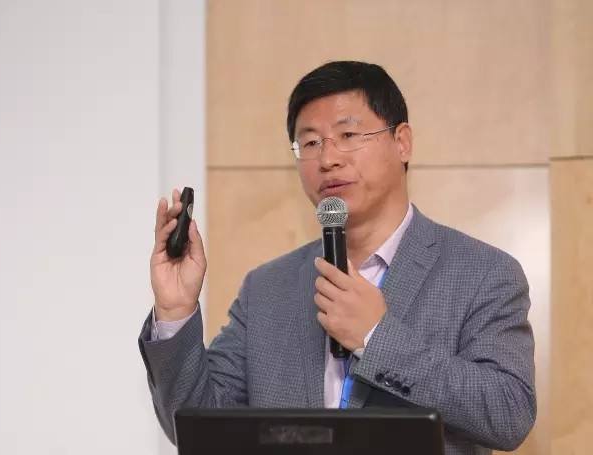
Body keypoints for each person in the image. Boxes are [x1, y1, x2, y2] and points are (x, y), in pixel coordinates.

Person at [138, 61, 536, 455]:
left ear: (402, 142)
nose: (328, 159)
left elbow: (508, 414)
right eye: (311, 143)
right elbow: (198, 426)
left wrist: (376, 336)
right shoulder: (267, 288)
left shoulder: (483, 273)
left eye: (348, 135)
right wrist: (175, 311)